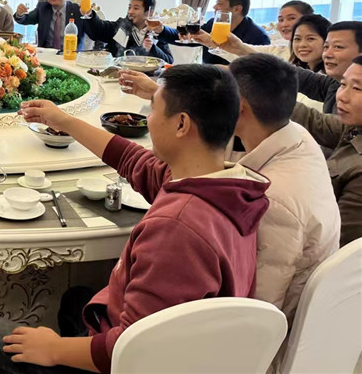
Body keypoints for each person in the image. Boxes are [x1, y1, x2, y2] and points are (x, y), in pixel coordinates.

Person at [0, 65, 269, 374]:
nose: (147, 120)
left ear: (181, 124)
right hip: (190, 348)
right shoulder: (229, 187)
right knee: (77, 299)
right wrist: (64, 121)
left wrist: (55, 349)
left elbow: (136, 349)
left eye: (153, 109)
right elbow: (134, 160)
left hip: (134, 361)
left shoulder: (177, 228)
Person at [121, 56, 339, 326]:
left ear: (239, 107)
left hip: (268, 335)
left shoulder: (270, 198)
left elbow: (256, 312)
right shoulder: (297, 137)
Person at [291, 55, 362, 247]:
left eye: (357, 89)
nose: (342, 96)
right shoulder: (354, 127)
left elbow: (341, 245)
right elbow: (313, 121)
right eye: (343, 85)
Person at [184, 1, 317, 64]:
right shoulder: (279, 49)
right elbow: (249, 53)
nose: (284, 24)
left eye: (291, 18)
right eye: (281, 20)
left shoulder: (257, 33)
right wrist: (210, 41)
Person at [81, 0, 174, 63]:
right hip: (116, 74)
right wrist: (89, 14)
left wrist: (152, 48)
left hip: (146, 77)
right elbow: (99, 30)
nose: (130, 11)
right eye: (129, 7)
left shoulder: (156, 32)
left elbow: (169, 61)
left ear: (149, 12)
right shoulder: (122, 25)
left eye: (136, 8)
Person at [293, 21, 362, 114]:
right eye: (326, 47)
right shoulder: (335, 84)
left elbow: (330, 123)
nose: (327, 54)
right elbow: (300, 77)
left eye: (338, 47)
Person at [201, 0, 271, 64]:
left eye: (219, 3)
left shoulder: (258, 37)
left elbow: (259, 67)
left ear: (237, 9)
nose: (214, 7)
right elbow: (195, 38)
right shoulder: (213, 23)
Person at [13, 0, 84, 50]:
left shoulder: (77, 10)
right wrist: (20, 14)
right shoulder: (42, 8)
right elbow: (25, 19)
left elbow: (92, 32)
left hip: (71, 54)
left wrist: (89, 14)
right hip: (45, 53)